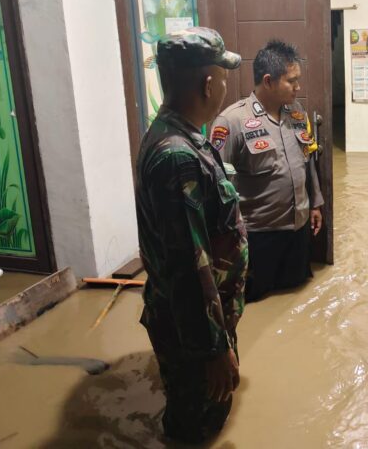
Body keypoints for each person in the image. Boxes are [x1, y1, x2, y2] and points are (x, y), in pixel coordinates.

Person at [134, 27, 248, 443]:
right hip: (193, 331)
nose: (226, 83)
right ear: (208, 82)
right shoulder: (176, 156)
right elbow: (188, 264)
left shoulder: (182, 135)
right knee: (196, 424)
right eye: (223, 74)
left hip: (196, 321)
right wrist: (213, 349)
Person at [210, 40, 323, 302]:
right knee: (258, 301)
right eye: (291, 81)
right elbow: (216, 186)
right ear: (269, 81)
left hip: (298, 231)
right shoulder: (232, 121)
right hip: (259, 238)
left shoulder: (297, 113)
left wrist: (315, 203)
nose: (298, 87)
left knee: (295, 297)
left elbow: (308, 162)